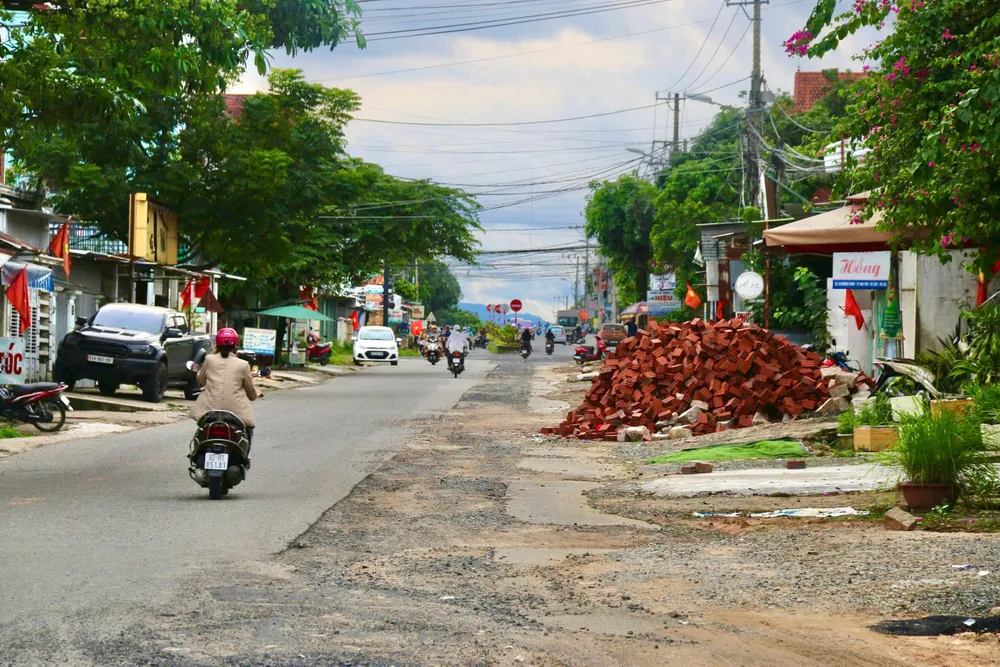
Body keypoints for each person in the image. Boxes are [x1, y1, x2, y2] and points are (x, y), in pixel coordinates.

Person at [190, 328, 262, 443]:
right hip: (237, 414)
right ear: (235, 347)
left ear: (217, 345)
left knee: (202, 430)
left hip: (209, 411)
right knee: (247, 428)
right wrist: (255, 394)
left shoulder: (209, 359)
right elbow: (251, 393)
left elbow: (201, 379)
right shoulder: (243, 365)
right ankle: (245, 456)